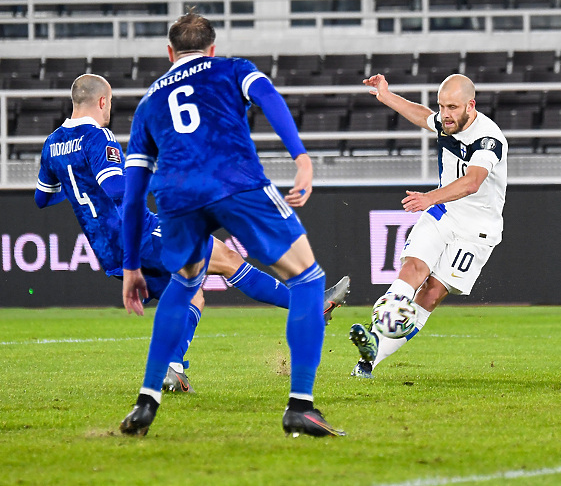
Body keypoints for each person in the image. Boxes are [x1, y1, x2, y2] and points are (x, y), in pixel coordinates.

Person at [34, 74, 350, 394]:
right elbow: (116, 187)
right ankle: (312, 306)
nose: (109, 110)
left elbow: (42, 198)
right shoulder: (98, 137)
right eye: (110, 103)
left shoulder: (52, 145)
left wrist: (79, 189)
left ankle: (174, 371)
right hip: (141, 233)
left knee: (192, 294)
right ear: (102, 101)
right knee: (227, 259)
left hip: (106, 247)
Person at [348, 73, 507, 379]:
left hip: (477, 230)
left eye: (452, 107)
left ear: (470, 106)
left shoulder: (488, 138)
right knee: (413, 268)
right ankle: (379, 327)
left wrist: (428, 198)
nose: (444, 114)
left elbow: (473, 182)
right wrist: (386, 96)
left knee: (431, 293)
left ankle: (371, 358)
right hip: (444, 212)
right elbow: (424, 117)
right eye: (441, 106)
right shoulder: (447, 122)